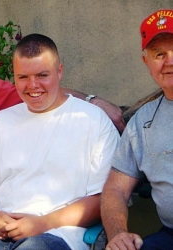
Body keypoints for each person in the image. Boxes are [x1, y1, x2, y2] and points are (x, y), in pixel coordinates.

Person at [0, 13, 125, 250]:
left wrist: (43, 223)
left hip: (54, 234)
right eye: (23, 77)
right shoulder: (0, 121)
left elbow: (104, 197)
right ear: (14, 76)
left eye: (42, 75)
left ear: (59, 71)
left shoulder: (92, 121)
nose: (33, 86)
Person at [101, 9, 173, 250]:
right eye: (159, 54)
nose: (169, 61)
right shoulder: (142, 123)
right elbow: (115, 189)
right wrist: (118, 234)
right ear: (147, 62)